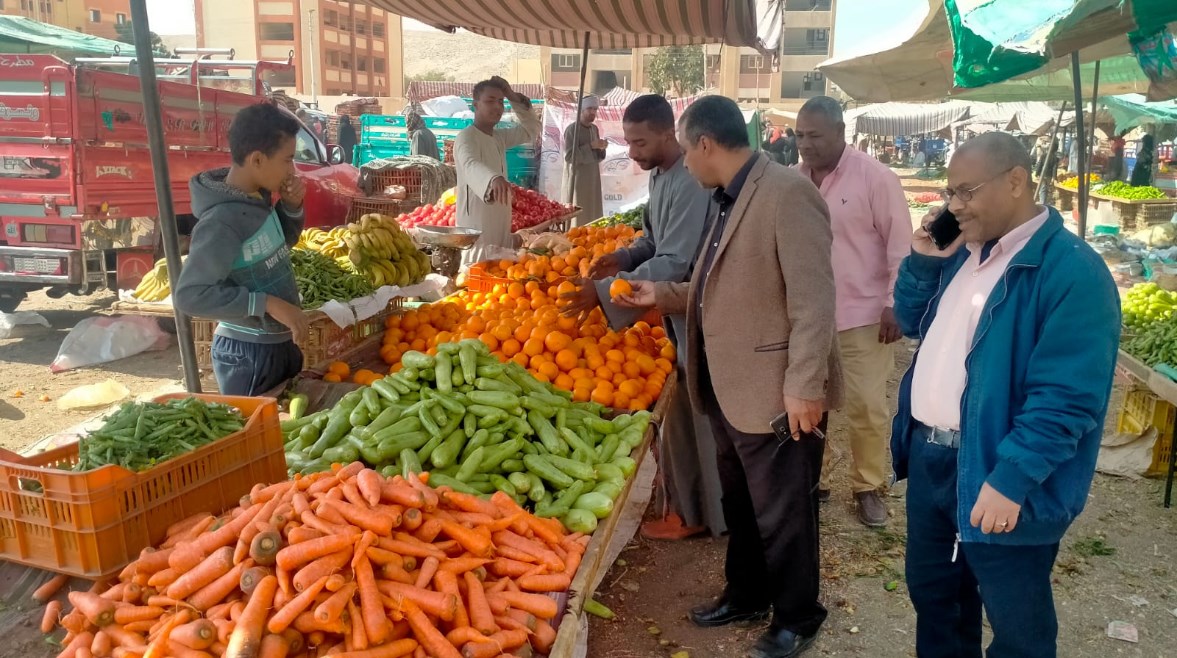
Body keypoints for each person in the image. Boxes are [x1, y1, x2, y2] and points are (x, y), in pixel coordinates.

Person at [616, 95, 841, 658]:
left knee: (785, 508)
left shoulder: (788, 193)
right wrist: (663, 293)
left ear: (706, 144)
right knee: (742, 502)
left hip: (775, 390)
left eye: (688, 151)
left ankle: (798, 614)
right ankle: (747, 592)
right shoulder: (726, 197)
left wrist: (804, 386)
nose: (685, 163)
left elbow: (814, 301)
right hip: (726, 383)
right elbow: (719, 288)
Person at [892, 132, 1119, 657]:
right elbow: (909, 321)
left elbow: (1067, 398)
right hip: (933, 461)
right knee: (937, 599)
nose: (954, 206)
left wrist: (1011, 479)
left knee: (1017, 625)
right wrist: (924, 260)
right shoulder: (962, 253)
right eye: (950, 193)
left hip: (997, 471)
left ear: (1016, 181)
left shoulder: (1072, 273)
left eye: (965, 191)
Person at [559, 94, 723, 540]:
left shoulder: (689, 181)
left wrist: (604, 294)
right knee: (686, 414)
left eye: (640, 143)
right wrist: (623, 255)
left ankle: (702, 513)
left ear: (670, 134)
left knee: (697, 416)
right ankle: (694, 510)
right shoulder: (663, 175)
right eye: (628, 142)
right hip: (676, 309)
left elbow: (675, 259)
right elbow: (654, 240)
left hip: (697, 306)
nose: (632, 152)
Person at [794, 96, 911, 527]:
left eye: (815, 136)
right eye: (800, 135)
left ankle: (868, 487)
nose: (805, 144)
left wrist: (896, 304)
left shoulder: (876, 179)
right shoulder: (793, 180)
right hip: (809, 318)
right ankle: (812, 481)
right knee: (809, 403)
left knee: (865, 407)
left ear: (841, 132)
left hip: (863, 316)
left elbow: (902, 247)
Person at [175, 103, 309, 396]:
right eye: (288, 160)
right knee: (253, 433)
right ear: (258, 159)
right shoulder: (221, 222)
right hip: (248, 353)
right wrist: (267, 303)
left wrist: (291, 206)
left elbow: (280, 243)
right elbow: (189, 295)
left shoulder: (257, 198)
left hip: (275, 342)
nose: (292, 169)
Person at [454, 77, 540, 264]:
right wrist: (493, 179)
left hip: (501, 229)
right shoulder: (466, 137)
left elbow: (531, 128)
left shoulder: (499, 137)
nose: (497, 107)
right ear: (475, 105)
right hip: (477, 234)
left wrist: (511, 95)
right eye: (490, 101)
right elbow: (470, 163)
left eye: (501, 102)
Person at [561, 95, 606, 225]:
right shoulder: (572, 130)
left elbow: (596, 155)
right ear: (581, 110)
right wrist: (591, 146)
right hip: (577, 180)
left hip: (593, 178)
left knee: (593, 213)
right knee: (578, 217)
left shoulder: (594, 129)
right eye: (590, 109)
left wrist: (601, 148)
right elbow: (570, 157)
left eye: (595, 109)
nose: (593, 112)